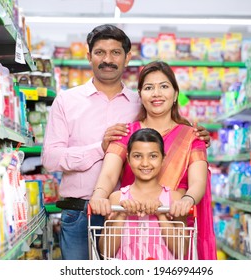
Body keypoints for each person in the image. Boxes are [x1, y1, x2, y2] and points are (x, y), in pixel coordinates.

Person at [42, 24, 210, 260]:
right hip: (85, 211)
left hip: (148, 216)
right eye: (100, 52)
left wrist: (196, 135)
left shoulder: (140, 104)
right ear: (89, 56)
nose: (107, 59)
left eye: (116, 53)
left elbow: (180, 152)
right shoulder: (67, 101)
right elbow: (50, 160)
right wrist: (99, 153)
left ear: (127, 57)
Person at [90, 60, 216, 260]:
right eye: (149, 87)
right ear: (140, 95)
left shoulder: (191, 136)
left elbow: (198, 182)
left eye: (164, 86)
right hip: (132, 219)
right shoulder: (125, 132)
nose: (156, 93)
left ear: (175, 94)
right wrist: (99, 196)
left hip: (175, 221)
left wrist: (186, 201)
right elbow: (108, 173)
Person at [98, 128, 190, 260]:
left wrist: (161, 216)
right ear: (128, 159)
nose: (145, 163)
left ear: (163, 158)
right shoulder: (117, 198)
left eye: (153, 156)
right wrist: (121, 215)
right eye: (137, 156)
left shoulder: (174, 198)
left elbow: (181, 250)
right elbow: (106, 252)